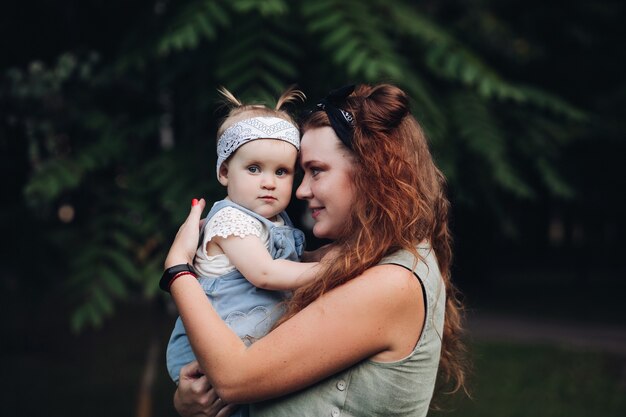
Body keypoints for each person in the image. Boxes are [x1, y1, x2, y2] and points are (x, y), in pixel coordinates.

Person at [163, 84, 467, 417]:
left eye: (316, 171)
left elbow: (234, 378)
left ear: (371, 172)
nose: (302, 190)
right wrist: (189, 402)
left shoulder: (393, 282)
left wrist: (178, 269)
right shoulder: (362, 259)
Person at [164, 87, 325, 414]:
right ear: (224, 172)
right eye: (254, 169)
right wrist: (335, 269)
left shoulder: (275, 221)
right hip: (224, 352)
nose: (269, 182)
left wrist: (324, 256)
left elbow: (288, 263)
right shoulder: (230, 221)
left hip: (254, 354)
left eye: (281, 172)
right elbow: (264, 273)